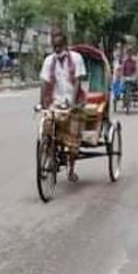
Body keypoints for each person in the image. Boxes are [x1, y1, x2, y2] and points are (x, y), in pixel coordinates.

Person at [40, 29, 87, 182]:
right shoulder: (49, 61)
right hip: (56, 102)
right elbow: (45, 83)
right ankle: (49, 157)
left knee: (73, 137)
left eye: (60, 46)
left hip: (74, 102)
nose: (57, 50)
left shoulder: (76, 59)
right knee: (47, 126)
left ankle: (71, 170)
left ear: (66, 45)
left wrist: (73, 103)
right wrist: (42, 103)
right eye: (55, 47)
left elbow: (78, 82)